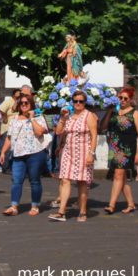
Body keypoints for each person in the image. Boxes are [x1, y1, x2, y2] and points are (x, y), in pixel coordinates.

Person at [49, 90, 98, 222]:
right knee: (65, 179)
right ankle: (61, 212)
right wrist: (63, 119)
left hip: (83, 152)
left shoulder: (89, 116)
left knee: (82, 182)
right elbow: (59, 132)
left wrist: (91, 153)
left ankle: (82, 211)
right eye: (75, 101)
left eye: (81, 101)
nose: (78, 103)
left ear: (84, 102)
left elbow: (94, 136)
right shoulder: (68, 116)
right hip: (68, 152)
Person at [0, 94, 49, 216]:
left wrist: (31, 118)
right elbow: (9, 137)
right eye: (22, 103)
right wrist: (3, 152)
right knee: (16, 180)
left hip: (35, 153)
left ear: (31, 104)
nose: (24, 105)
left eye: (27, 103)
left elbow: (40, 132)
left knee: (34, 181)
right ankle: (14, 206)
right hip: (18, 154)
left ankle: (35, 206)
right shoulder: (15, 119)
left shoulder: (38, 116)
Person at [100, 87, 138, 214]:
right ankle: (130, 204)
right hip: (114, 146)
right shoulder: (114, 113)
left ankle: (111, 204)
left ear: (130, 100)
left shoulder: (134, 113)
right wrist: (109, 111)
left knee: (118, 175)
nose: (122, 100)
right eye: (120, 98)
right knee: (122, 177)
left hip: (127, 147)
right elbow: (103, 127)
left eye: (125, 98)